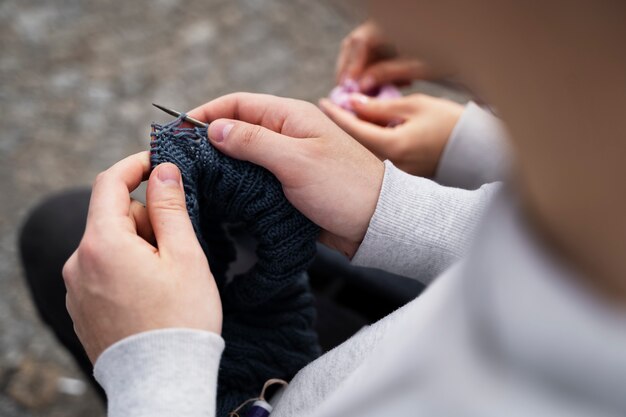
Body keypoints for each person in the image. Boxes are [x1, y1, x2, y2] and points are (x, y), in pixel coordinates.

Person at [23, 0, 626, 416]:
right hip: (415, 321)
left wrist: (152, 370)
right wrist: (398, 203)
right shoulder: (591, 203)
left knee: (66, 242)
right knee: (66, 231)